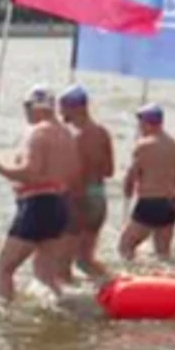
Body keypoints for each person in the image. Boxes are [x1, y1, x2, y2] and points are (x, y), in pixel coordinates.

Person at [0, 85, 80, 301]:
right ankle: (62, 313)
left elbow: (30, 172)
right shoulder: (66, 135)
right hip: (59, 204)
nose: (24, 112)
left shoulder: (37, 132)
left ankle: (4, 319)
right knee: (45, 274)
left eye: (26, 106)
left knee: (3, 269)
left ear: (37, 106)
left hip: (36, 206)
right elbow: (72, 172)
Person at [59, 85, 115, 282]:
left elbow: (75, 176)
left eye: (62, 108)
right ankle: (113, 284)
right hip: (99, 196)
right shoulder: (102, 133)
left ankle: (68, 305)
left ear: (74, 108)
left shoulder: (76, 137)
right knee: (85, 260)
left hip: (79, 200)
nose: (60, 113)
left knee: (62, 264)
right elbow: (109, 171)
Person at [119, 103, 175, 261]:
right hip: (171, 203)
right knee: (163, 254)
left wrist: (127, 194)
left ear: (146, 122)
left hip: (150, 203)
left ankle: (131, 278)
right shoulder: (173, 144)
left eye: (140, 122)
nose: (139, 127)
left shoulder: (144, 146)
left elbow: (131, 177)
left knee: (125, 246)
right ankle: (167, 282)